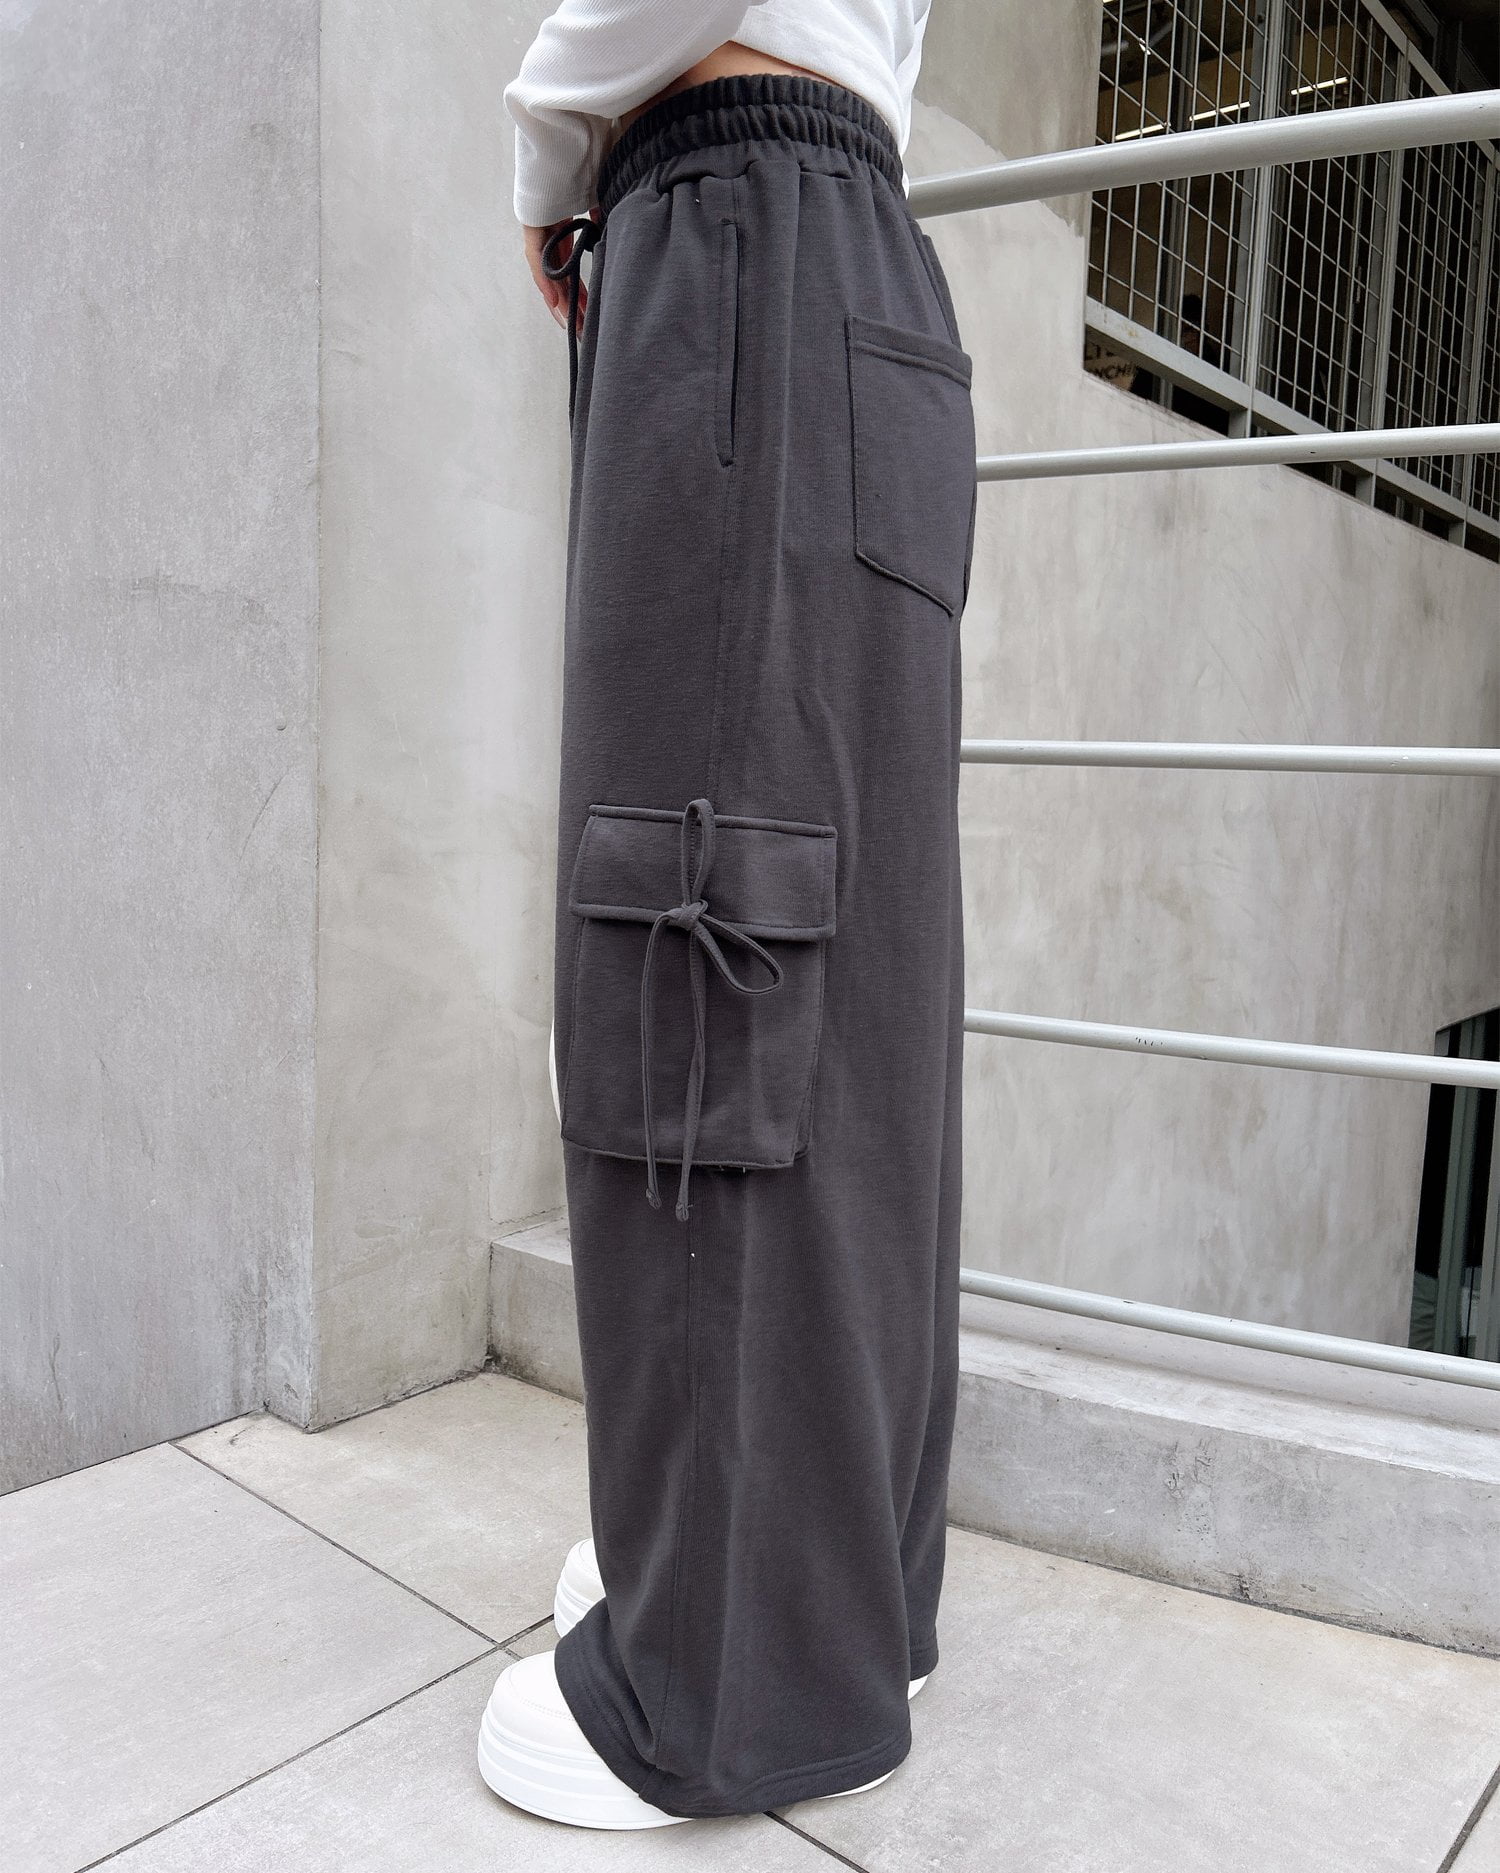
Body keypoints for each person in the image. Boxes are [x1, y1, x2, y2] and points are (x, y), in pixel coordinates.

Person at [477, 1, 978, 1828]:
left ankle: (721, 1672)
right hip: (862, 273)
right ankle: (844, 1597)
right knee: (861, 964)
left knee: (705, 897)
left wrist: (551, 147)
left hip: (741, 231)